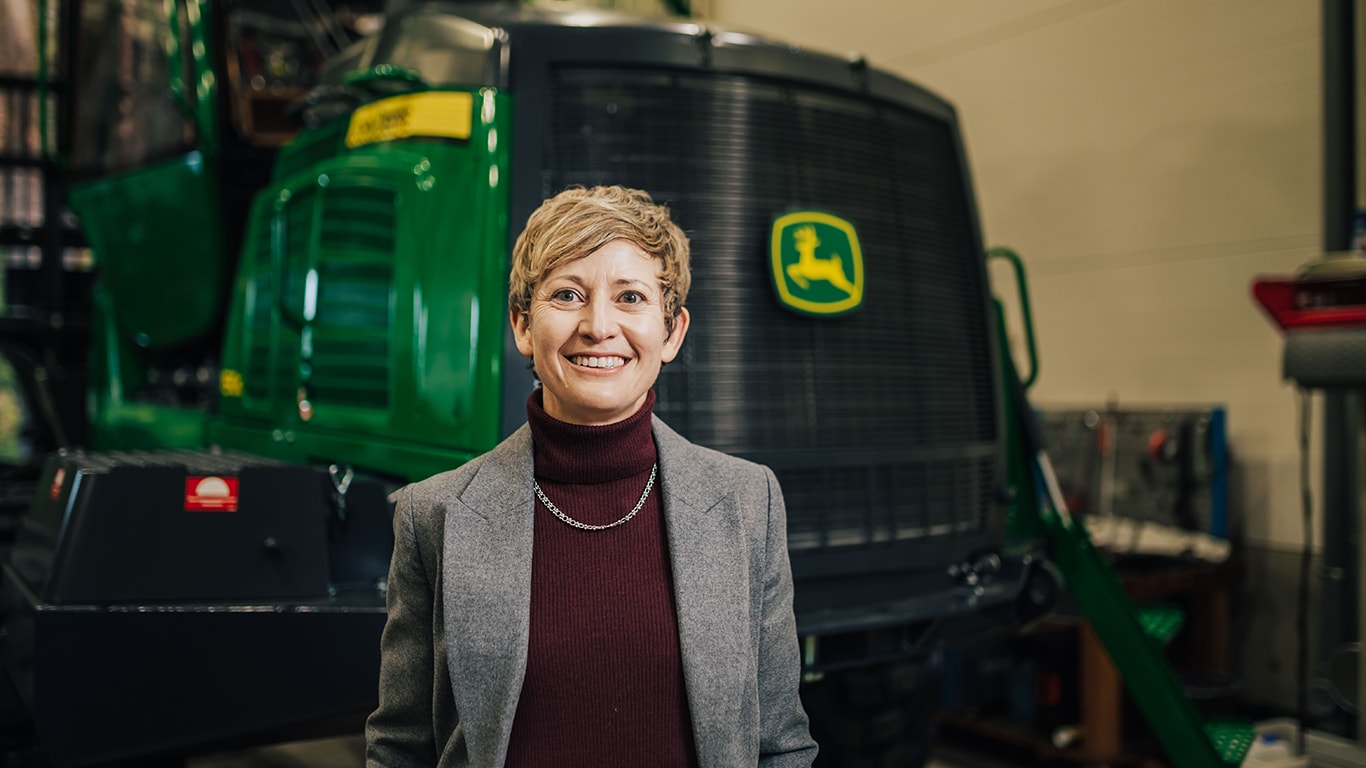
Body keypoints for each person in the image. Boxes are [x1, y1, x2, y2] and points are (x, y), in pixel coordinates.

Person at [365, 185, 817, 768]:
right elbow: (401, 748)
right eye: (567, 294)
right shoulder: (434, 516)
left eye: (630, 296)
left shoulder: (747, 502)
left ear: (672, 331)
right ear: (523, 327)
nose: (598, 325)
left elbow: (781, 742)